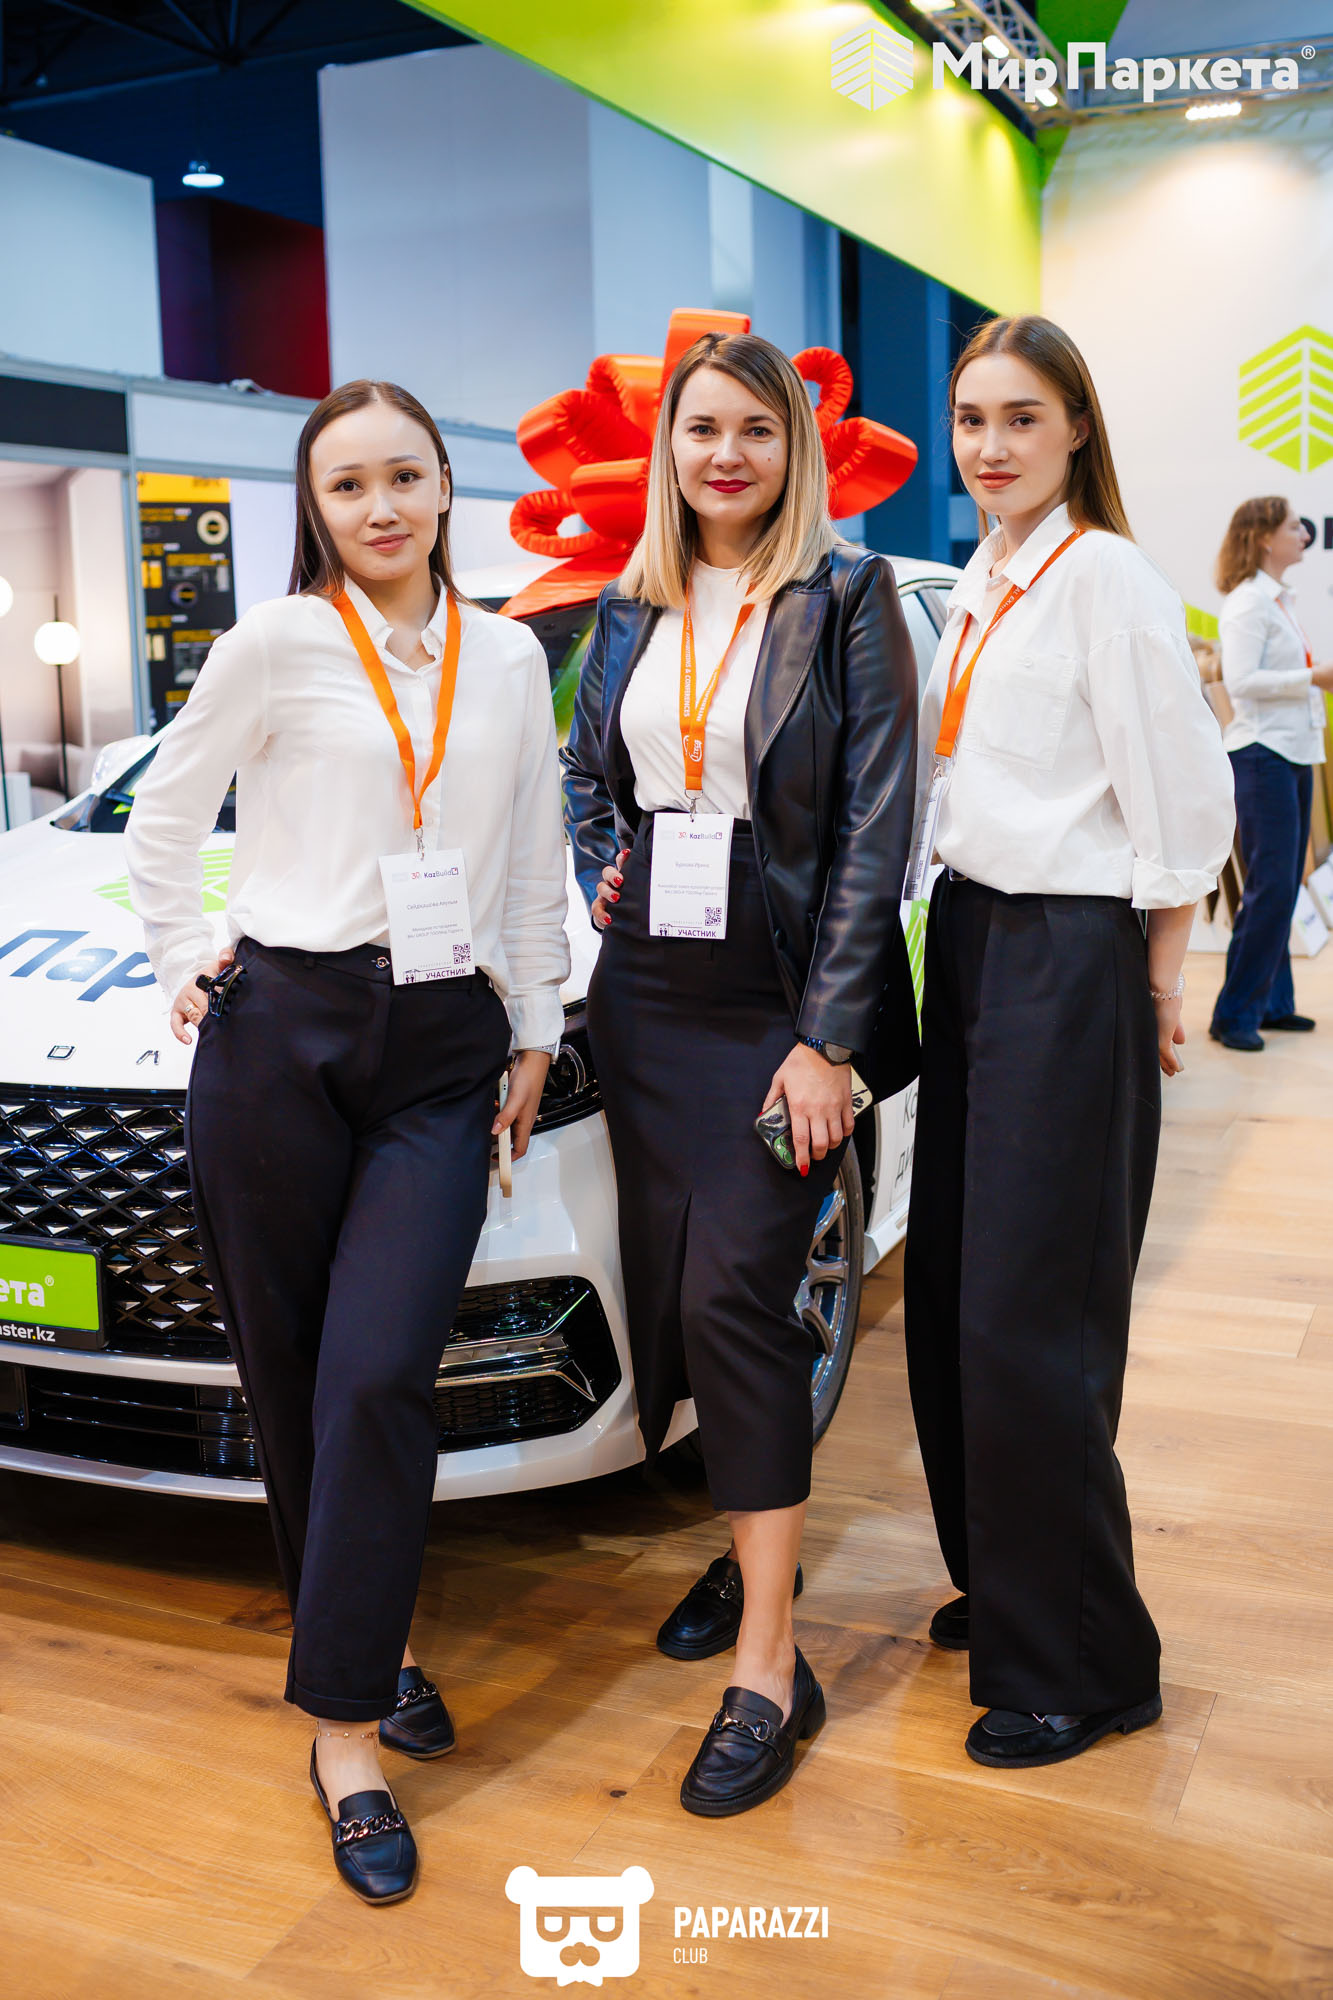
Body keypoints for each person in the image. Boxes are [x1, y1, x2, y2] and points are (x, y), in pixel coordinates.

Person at [124, 379, 569, 1902]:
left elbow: (531, 851)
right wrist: (179, 953)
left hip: (443, 1047)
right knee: (297, 1376)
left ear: (445, 485)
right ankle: (352, 1721)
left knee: (381, 1371)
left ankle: (347, 1681)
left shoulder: (508, 657)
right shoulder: (275, 643)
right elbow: (166, 815)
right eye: (346, 485)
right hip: (281, 1037)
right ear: (315, 508)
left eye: (403, 476)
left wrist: (534, 1023)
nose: (379, 507)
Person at [563, 330, 919, 1817]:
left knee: (737, 1298)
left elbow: (877, 826)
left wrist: (827, 1037)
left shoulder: (846, 596)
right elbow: (588, 775)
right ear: (670, 449)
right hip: (644, 992)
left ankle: (771, 1664)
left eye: (755, 432)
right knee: (680, 1303)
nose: (726, 455)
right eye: (701, 429)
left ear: (795, 452)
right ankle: (748, 1556)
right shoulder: (628, 601)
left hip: (777, 997)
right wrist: (600, 859)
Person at [903, 315, 1234, 1771]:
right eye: (971, 419)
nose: (990, 446)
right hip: (975, 938)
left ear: (1077, 428)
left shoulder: (1107, 578)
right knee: (953, 1291)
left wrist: (1155, 980)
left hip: (1069, 952)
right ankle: (1007, 1578)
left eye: (1021, 418)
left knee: (1031, 1313)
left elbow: (1183, 805)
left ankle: (1087, 1664)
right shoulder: (988, 573)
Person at [1208, 498, 1333, 1051]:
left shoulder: (1276, 599)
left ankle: (1273, 1004)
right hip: (1262, 756)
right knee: (1271, 887)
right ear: (1263, 537)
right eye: (1292, 527)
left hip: (1289, 754)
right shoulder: (1248, 602)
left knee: (1280, 888)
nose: (1304, 535)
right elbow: (1241, 682)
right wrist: (1312, 677)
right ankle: (1234, 1015)